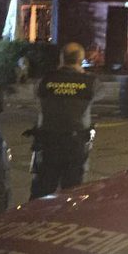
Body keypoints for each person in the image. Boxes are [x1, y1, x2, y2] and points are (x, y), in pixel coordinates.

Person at [27, 42, 96, 199]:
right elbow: (98, 95)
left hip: (47, 142)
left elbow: (36, 97)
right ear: (81, 59)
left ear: (61, 59)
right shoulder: (90, 83)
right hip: (75, 143)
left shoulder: (45, 81)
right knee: (73, 191)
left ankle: (37, 219)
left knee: (43, 188)